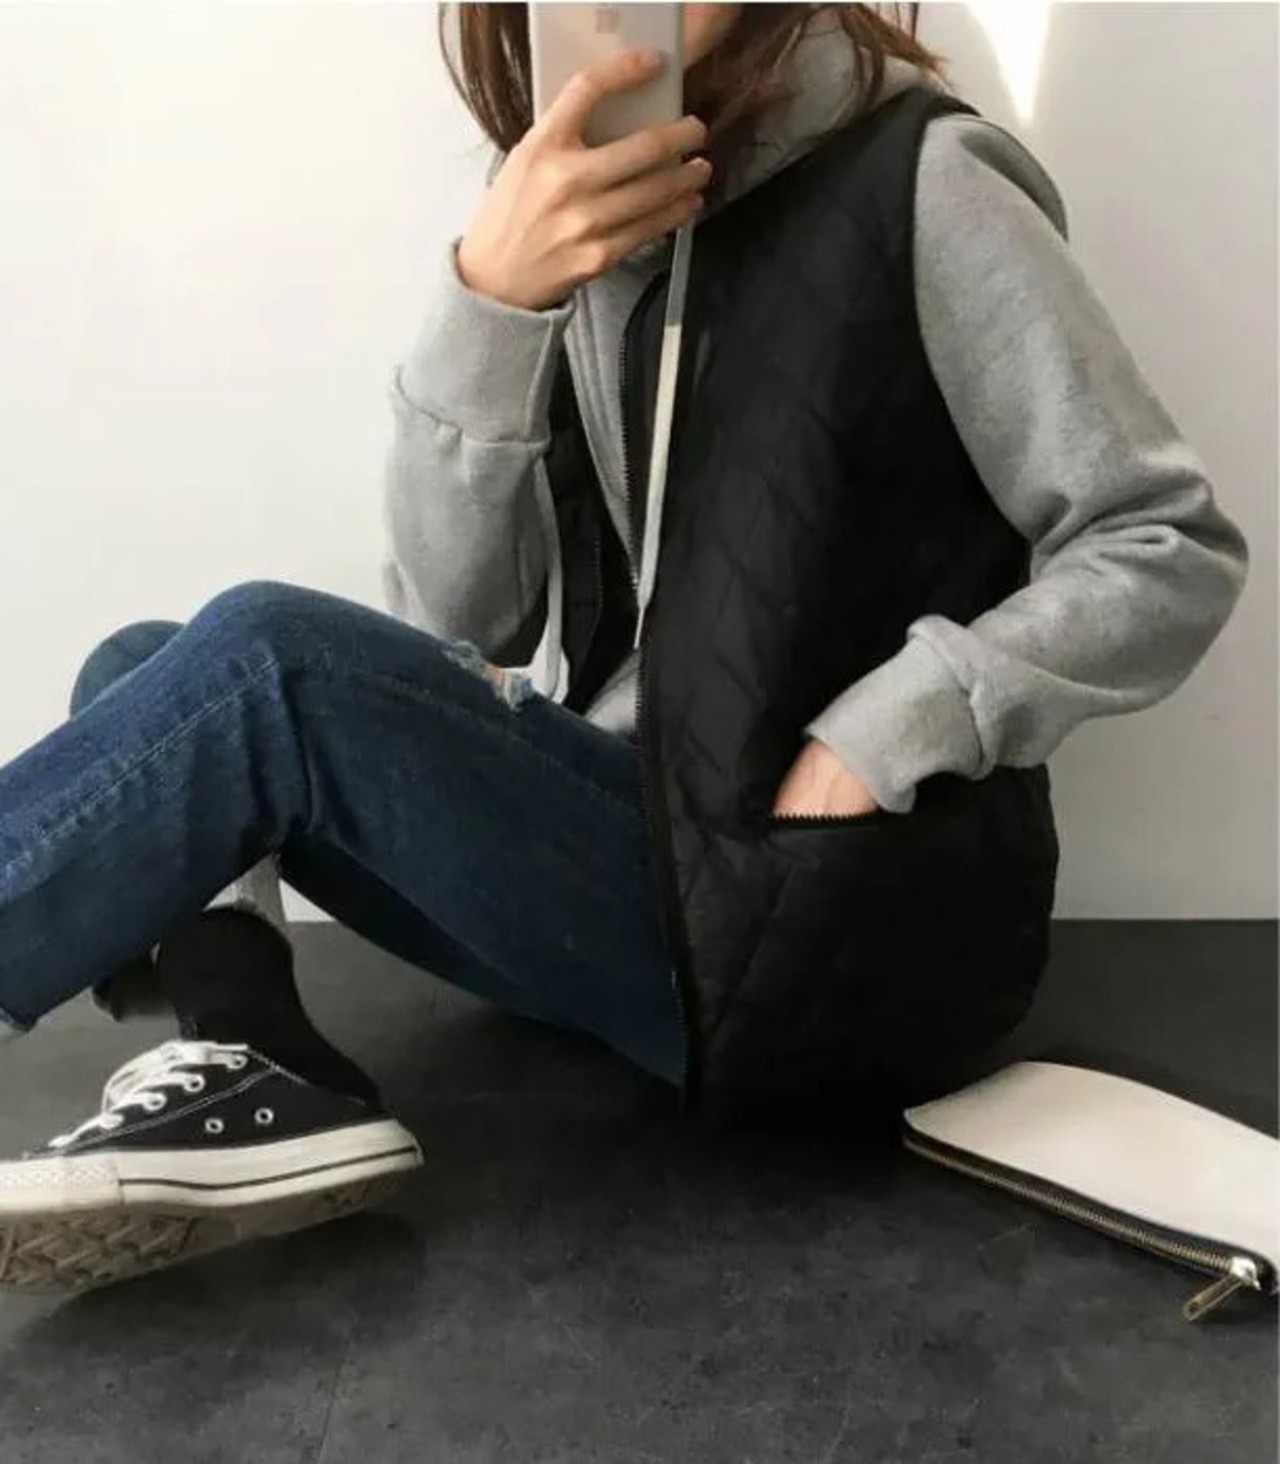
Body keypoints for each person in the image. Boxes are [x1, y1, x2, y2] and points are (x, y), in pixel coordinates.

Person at [0, 2, 1250, 1293]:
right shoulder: (577, 208)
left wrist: (890, 730)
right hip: (636, 872)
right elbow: (459, 622)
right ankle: (266, 1068)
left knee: (265, 659)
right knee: (147, 667)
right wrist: (492, 302)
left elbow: (1162, 543)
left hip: (831, 915)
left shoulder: (927, 180)